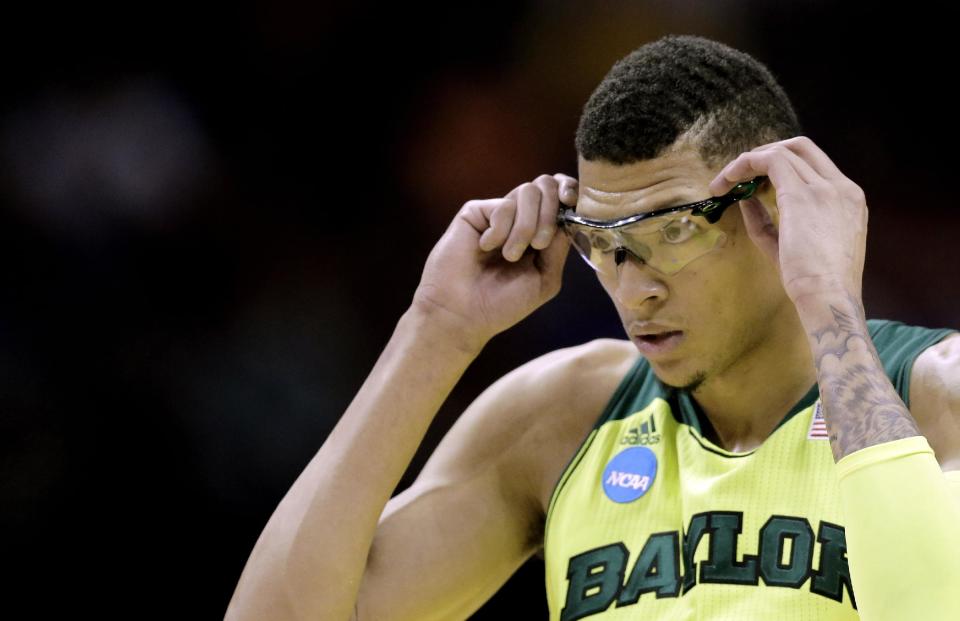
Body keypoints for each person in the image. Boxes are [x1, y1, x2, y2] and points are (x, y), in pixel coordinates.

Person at [225, 34, 960, 621]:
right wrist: (434, 329)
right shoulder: (562, 416)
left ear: (774, 204)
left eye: (671, 231)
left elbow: (926, 605)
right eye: (603, 243)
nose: (634, 288)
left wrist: (829, 300)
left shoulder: (938, 395)